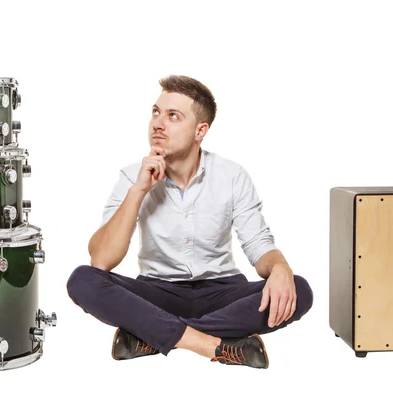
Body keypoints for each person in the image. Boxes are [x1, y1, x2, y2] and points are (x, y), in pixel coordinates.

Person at [66, 75, 313, 369]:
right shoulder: (133, 177)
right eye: (156, 112)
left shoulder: (231, 175)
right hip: (156, 293)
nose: (158, 123)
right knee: (82, 280)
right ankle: (211, 344)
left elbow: (258, 245)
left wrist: (281, 267)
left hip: (222, 292)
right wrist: (139, 191)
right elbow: (101, 260)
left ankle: (153, 334)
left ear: (200, 130)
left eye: (173, 116)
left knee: (299, 289)